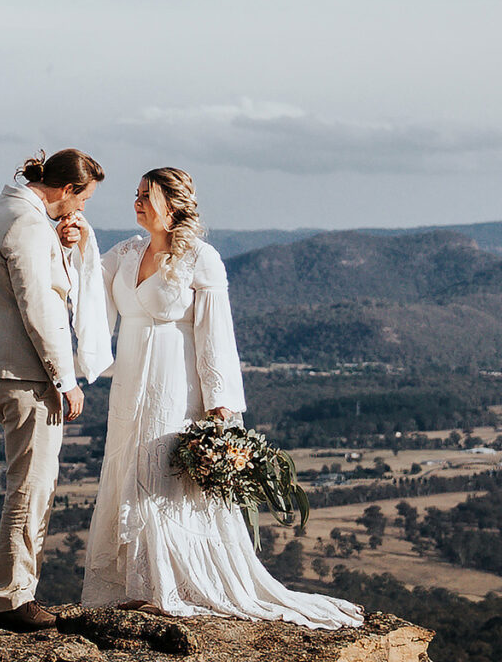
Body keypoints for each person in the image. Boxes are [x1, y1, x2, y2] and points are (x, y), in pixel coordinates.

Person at [82, 166, 360, 628]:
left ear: (172, 206)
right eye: (135, 194)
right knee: (127, 467)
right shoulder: (126, 253)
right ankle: (132, 584)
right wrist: (74, 240)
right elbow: (88, 280)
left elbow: (216, 336)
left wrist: (220, 407)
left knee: (164, 476)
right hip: (129, 383)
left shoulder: (201, 258)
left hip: (177, 386)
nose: (136, 202)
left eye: (146, 195)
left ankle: (170, 584)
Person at [0, 146, 112, 629]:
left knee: (28, 481)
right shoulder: (27, 226)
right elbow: (40, 310)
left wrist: (63, 244)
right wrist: (65, 380)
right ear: (67, 190)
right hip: (27, 374)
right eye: (84, 200)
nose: (82, 210)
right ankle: (15, 599)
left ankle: (18, 592)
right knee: (31, 485)